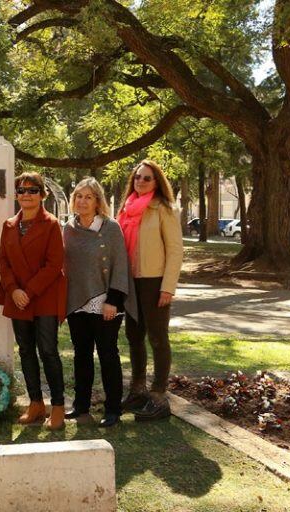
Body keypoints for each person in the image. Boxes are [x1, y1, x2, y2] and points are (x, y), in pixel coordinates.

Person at [0, 172, 67, 430]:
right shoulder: (8, 225)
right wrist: (14, 290)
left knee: (47, 350)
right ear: (16, 195)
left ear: (42, 194)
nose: (27, 194)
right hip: (17, 298)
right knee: (25, 351)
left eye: (33, 190)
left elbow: (54, 265)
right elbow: (2, 260)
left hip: (44, 297)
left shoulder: (51, 224)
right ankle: (36, 403)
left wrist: (29, 290)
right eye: (22, 190)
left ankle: (57, 405)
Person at [63, 177, 135, 428]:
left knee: (108, 355)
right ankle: (80, 405)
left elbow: (120, 266)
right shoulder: (68, 228)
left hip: (106, 302)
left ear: (97, 201)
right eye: (78, 196)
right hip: (77, 303)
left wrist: (113, 301)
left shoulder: (110, 227)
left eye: (88, 197)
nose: (82, 201)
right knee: (81, 355)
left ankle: (113, 409)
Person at [118, 159, 183, 421]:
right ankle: (137, 389)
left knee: (157, 338)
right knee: (134, 336)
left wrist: (167, 287)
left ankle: (158, 395)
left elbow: (176, 250)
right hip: (130, 282)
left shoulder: (163, 209)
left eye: (147, 178)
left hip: (155, 282)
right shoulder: (126, 209)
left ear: (157, 182)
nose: (141, 182)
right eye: (137, 177)